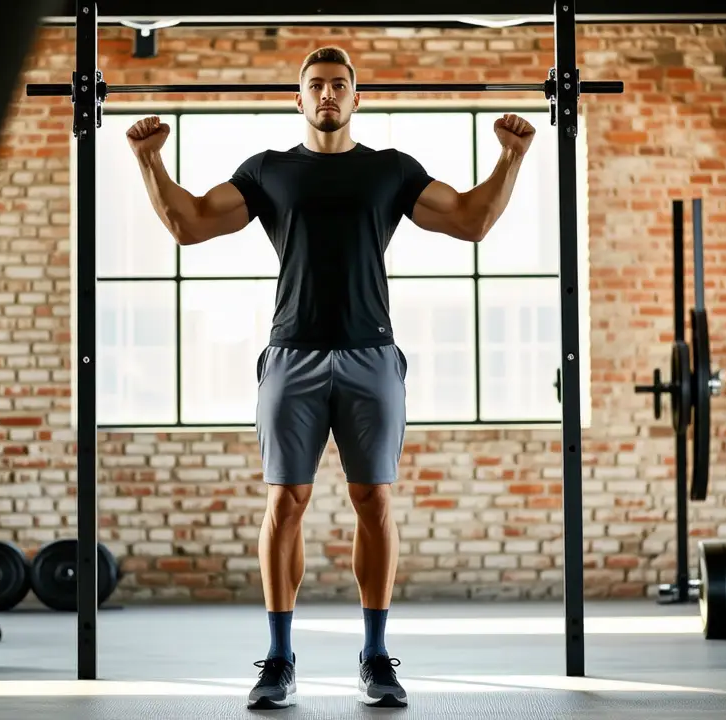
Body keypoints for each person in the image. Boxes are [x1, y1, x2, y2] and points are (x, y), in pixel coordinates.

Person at [126, 46, 534, 710]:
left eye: (338, 85)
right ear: (298, 99)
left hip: (372, 354)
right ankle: (280, 660)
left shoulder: (390, 171)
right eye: (314, 85)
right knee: (286, 501)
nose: (326, 94)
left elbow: (470, 219)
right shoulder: (269, 171)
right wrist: (149, 160)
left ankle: (376, 658)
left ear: (356, 97)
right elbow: (190, 222)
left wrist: (511, 157)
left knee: (373, 500)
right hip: (292, 354)